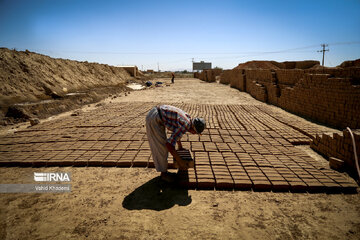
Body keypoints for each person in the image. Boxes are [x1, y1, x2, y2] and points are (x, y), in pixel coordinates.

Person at [145, 105, 206, 182]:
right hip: (154, 119)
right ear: (194, 129)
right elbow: (169, 145)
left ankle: (164, 172)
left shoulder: (188, 119)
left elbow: (176, 132)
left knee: (163, 145)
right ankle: (164, 175)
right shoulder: (185, 125)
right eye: (196, 132)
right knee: (162, 148)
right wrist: (180, 161)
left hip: (157, 114)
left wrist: (180, 146)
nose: (194, 134)